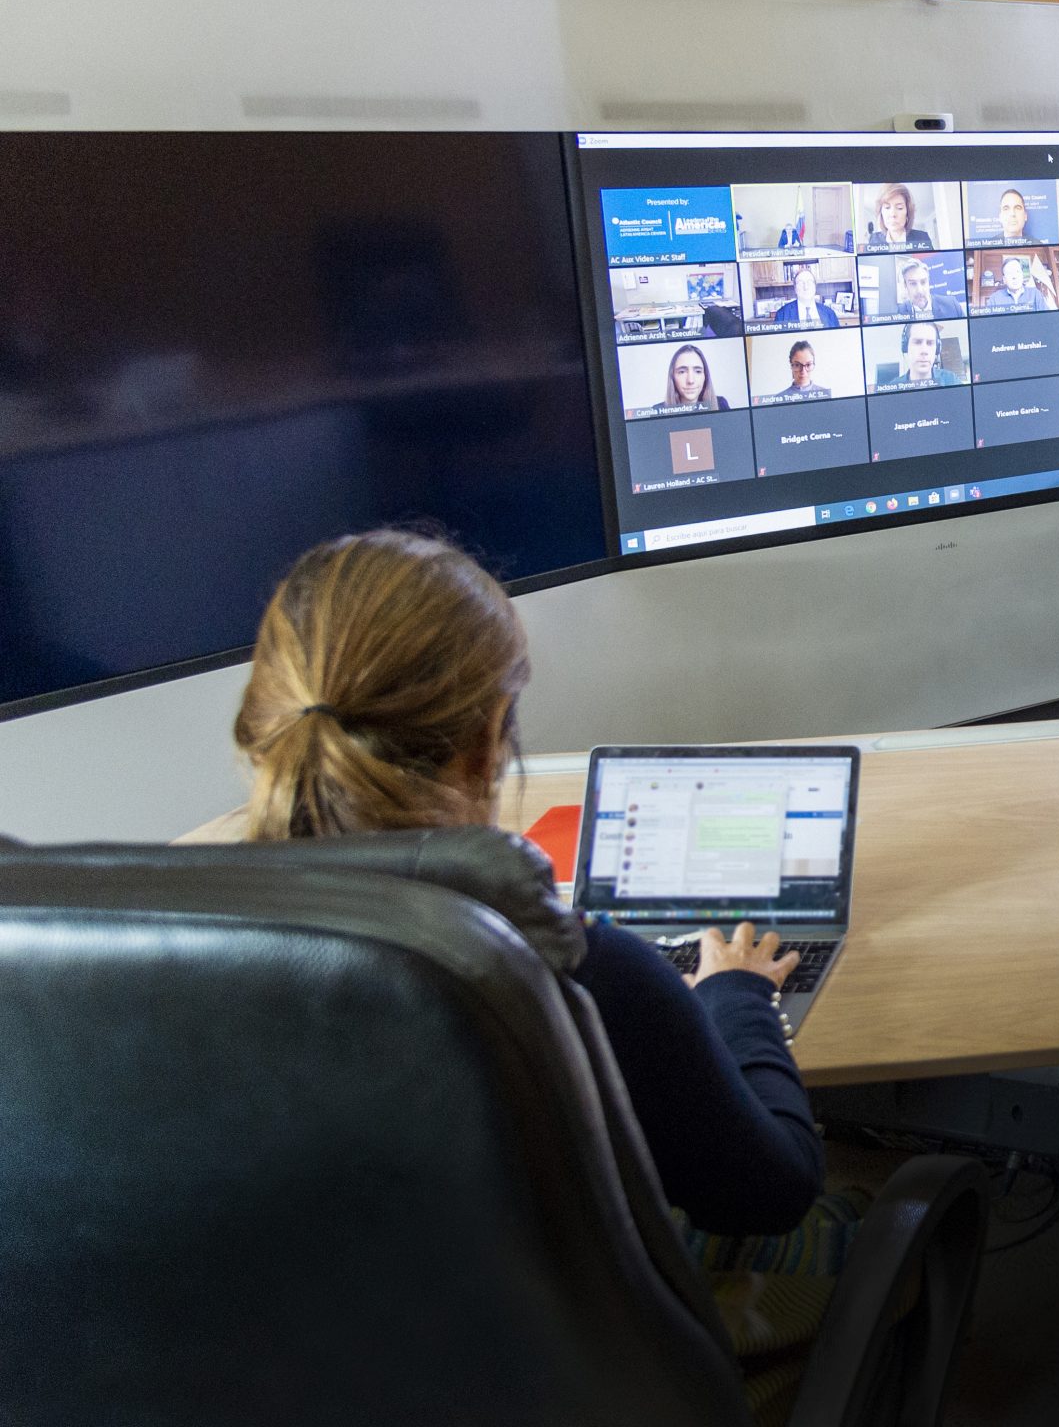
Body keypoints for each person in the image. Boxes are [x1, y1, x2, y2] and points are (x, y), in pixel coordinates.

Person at [229, 531, 859, 1396]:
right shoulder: (576, 972)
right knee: (851, 1215)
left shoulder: (164, 952)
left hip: (289, 1372)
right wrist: (738, 995)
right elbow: (772, 1190)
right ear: (488, 742)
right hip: (557, 1378)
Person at [883, 321, 962, 390]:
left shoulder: (951, 380)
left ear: (937, 349)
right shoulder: (893, 387)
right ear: (906, 347)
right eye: (917, 342)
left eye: (930, 343)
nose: (924, 351)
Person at [976, 253, 1059, 314]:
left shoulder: (1035, 294)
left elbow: (1046, 320)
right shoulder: (995, 299)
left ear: (1022, 275)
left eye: (1017, 272)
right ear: (1004, 280)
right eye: (1009, 273)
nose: (1014, 276)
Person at [861, 183, 934, 252]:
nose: (893, 214)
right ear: (881, 212)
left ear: (907, 212)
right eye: (887, 207)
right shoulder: (873, 240)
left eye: (899, 208)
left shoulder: (922, 238)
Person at [660, 343, 731, 413]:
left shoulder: (721, 405)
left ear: (705, 376)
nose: (690, 381)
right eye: (682, 372)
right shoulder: (658, 411)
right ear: (673, 377)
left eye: (698, 371)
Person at [769, 264, 840, 330]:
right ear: (795, 288)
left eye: (809, 282)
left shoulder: (829, 313)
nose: (805, 287)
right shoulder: (782, 314)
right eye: (800, 283)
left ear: (815, 286)